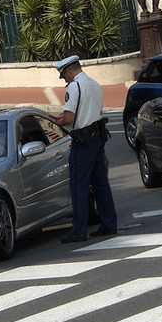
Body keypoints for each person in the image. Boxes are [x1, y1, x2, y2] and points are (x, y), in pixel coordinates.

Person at [53, 55, 117, 243]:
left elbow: (69, 118)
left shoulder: (74, 87)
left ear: (69, 71)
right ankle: (109, 224)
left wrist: (58, 120)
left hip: (83, 140)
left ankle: (79, 230)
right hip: (98, 136)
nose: (65, 79)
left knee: (78, 185)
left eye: (64, 75)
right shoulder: (94, 84)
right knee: (100, 184)